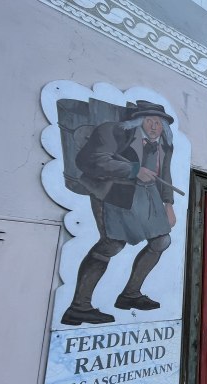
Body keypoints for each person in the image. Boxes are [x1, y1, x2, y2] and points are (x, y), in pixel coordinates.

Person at [61, 100, 176, 326]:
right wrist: (133, 170)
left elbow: (166, 174)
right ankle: (78, 307)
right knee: (112, 244)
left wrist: (168, 204)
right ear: (138, 120)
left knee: (162, 240)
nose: (155, 127)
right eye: (150, 121)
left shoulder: (164, 143)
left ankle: (130, 295)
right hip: (114, 190)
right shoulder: (113, 131)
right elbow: (89, 161)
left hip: (147, 194)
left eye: (159, 122)